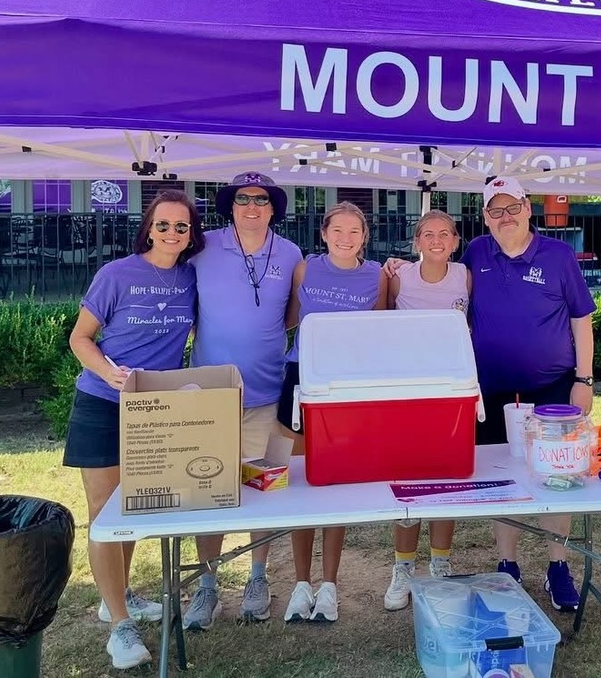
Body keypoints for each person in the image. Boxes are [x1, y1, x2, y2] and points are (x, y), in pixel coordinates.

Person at [64, 190, 204, 670]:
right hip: (103, 403)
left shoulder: (190, 277)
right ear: (148, 228)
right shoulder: (116, 274)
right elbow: (79, 337)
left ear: (191, 235)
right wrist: (108, 373)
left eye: (181, 227)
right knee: (104, 511)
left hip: (154, 410)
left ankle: (116, 595)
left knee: (135, 506)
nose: (171, 233)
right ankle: (120, 625)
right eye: (163, 225)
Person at [464, 176, 596, 612]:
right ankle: (508, 564)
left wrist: (585, 379)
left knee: (557, 478)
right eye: (494, 211)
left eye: (512, 207)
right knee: (503, 479)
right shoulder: (476, 252)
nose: (505, 217)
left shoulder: (558, 256)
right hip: (493, 389)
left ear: (528, 208)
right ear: (485, 217)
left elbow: (581, 320)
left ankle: (558, 565)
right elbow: (440, 283)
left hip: (553, 388)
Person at [181, 172, 302, 629]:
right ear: (230, 206)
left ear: (274, 207)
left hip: (268, 391)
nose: (252, 206)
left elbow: (293, 308)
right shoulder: (202, 246)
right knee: (206, 489)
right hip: (209, 393)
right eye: (242, 199)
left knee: (262, 486)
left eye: (262, 199)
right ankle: (207, 585)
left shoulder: (290, 253)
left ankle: (257, 576)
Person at [276, 201, 388, 624]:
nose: (345, 238)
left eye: (354, 231)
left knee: (335, 483)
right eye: (337, 230)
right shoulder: (305, 269)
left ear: (364, 236)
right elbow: (288, 318)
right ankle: (300, 584)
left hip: (346, 387)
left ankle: (329, 586)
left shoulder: (377, 276)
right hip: (302, 377)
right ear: (324, 234)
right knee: (302, 482)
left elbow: (380, 331)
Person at [382, 209, 471, 611]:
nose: (437, 241)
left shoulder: (465, 276)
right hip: (407, 393)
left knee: (446, 478)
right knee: (408, 480)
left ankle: (440, 563)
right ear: (416, 242)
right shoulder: (397, 277)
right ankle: (403, 568)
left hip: (452, 391)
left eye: (445, 234)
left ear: (455, 241)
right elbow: (380, 324)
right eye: (428, 234)